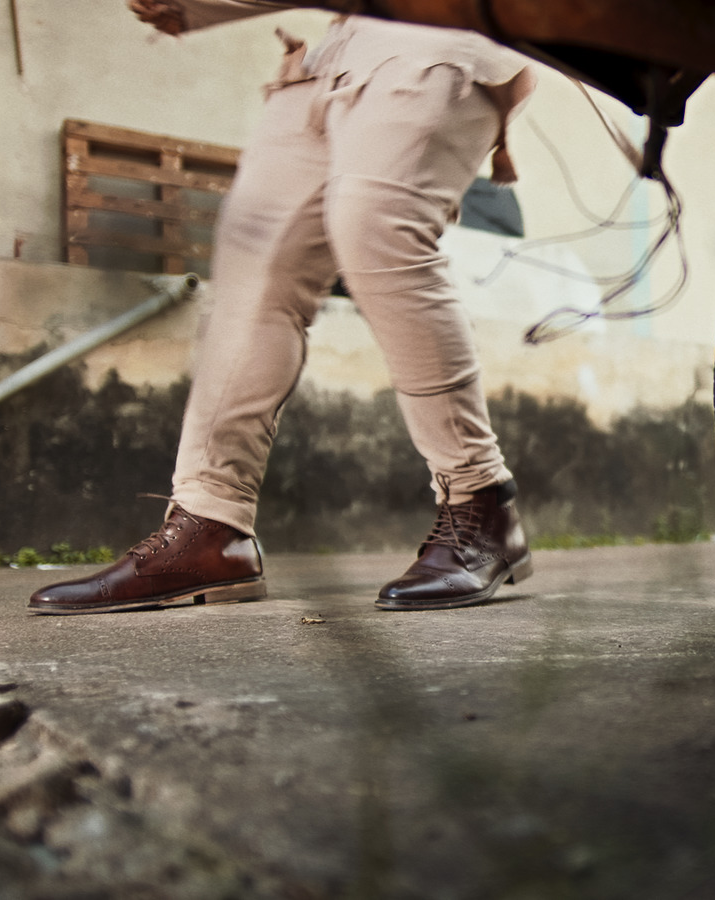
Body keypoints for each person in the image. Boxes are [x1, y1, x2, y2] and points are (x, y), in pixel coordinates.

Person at [29, 0, 537, 614]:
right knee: (254, 265)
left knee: (377, 227)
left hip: (448, 38)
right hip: (337, 50)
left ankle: (480, 503)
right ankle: (210, 527)